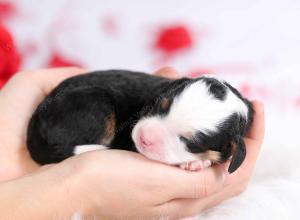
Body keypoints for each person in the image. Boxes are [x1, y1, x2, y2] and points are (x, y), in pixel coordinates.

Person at [0, 67, 264, 219]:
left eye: (186, 140)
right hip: (71, 112)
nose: (148, 133)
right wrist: (81, 187)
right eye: (160, 109)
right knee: (97, 106)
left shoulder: (228, 139)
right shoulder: (179, 100)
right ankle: (62, 150)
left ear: (231, 151)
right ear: (176, 88)